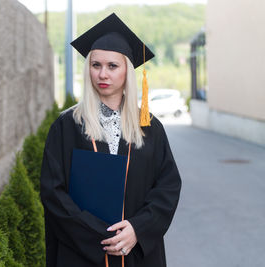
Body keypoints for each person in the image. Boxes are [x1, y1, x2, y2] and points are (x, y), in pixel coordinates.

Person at [40, 13, 181, 267]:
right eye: (96, 65)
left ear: (127, 70)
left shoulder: (149, 127)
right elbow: (53, 193)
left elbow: (167, 187)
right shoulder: (68, 126)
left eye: (112, 66)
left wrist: (137, 229)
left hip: (137, 254)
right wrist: (102, 236)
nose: (102, 74)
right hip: (80, 254)